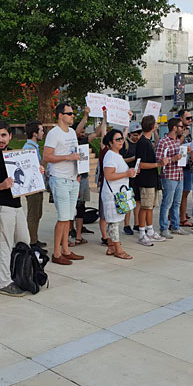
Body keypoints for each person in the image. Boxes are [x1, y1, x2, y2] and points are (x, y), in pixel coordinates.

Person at [0, 121, 41, 295]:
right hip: (0, 206)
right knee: (5, 245)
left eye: (3, 135)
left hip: (16, 205)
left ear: (10, 136)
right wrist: (1, 185)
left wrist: (37, 171)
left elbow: (26, 175)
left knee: (24, 241)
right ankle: (4, 282)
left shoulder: (13, 155)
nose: (0, 139)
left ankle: (22, 274)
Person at [43, 102, 84, 265]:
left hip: (73, 178)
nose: (73, 116)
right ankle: (57, 252)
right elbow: (47, 156)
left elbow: (75, 154)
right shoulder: (54, 133)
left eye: (73, 113)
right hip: (59, 178)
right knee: (62, 217)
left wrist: (78, 171)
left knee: (68, 217)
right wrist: (67, 157)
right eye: (70, 113)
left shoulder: (72, 132)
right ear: (61, 115)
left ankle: (66, 249)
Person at [71, 107, 107, 246]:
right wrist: (85, 115)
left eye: (85, 130)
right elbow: (75, 131)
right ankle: (70, 230)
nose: (83, 132)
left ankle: (78, 234)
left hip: (84, 178)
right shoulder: (71, 140)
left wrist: (104, 118)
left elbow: (97, 132)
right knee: (69, 208)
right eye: (81, 129)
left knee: (81, 207)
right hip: (72, 177)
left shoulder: (85, 140)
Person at [101, 129, 137, 259]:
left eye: (122, 138)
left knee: (114, 222)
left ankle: (112, 247)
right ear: (110, 143)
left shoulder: (116, 155)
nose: (121, 141)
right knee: (114, 222)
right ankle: (117, 249)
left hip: (118, 192)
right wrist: (126, 174)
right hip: (112, 194)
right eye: (118, 139)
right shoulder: (110, 156)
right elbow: (108, 175)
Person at [135, 115, 168, 246]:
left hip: (152, 179)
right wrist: (158, 164)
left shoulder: (149, 141)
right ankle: (142, 233)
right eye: (155, 124)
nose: (157, 125)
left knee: (151, 206)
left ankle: (150, 230)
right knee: (145, 207)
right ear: (152, 125)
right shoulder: (143, 142)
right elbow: (141, 164)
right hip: (145, 180)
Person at [155, 117, 187, 238]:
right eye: (181, 127)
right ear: (174, 128)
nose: (182, 129)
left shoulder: (177, 141)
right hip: (169, 175)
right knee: (167, 202)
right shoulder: (163, 142)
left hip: (179, 174)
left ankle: (175, 226)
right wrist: (172, 159)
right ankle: (163, 228)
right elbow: (158, 159)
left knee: (177, 202)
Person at [23, 120, 46, 247]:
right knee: (33, 214)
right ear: (35, 133)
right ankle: (31, 241)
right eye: (41, 130)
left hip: (38, 186)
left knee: (38, 214)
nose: (43, 133)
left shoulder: (34, 148)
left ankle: (34, 238)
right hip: (32, 187)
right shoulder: (28, 149)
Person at [120, 122, 142, 235]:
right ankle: (126, 224)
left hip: (138, 176)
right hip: (128, 176)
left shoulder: (140, 144)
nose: (137, 136)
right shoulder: (126, 144)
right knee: (128, 200)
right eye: (135, 134)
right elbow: (120, 159)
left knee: (137, 201)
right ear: (130, 134)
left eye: (139, 134)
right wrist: (133, 158)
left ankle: (137, 223)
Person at [177, 109, 193, 227]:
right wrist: (183, 135)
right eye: (187, 118)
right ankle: (177, 218)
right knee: (178, 194)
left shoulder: (190, 131)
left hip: (189, 166)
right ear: (181, 118)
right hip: (179, 167)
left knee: (185, 192)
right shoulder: (178, 131)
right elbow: (175, 145)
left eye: (190, 118)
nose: (190, 120)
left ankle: (182, 216)